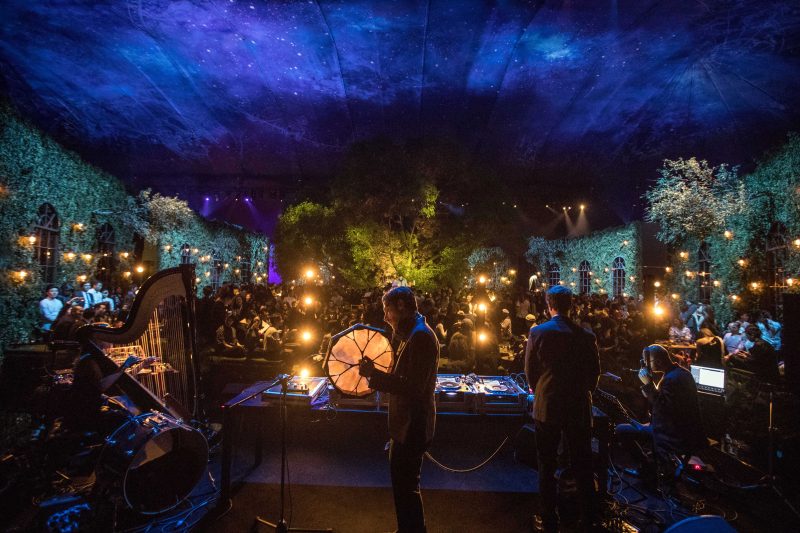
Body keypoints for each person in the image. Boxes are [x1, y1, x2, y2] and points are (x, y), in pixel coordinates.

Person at [359, 286, 439, 533]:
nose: (385, 317)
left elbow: (413, 387)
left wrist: (375, 376)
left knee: (407, 487)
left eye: (387, 310)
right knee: (404, 487)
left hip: (412, 426)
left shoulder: (421, 337)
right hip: (406, 425)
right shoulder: (413, 334)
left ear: (401, 306)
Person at [525, 286, 600, 532]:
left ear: (549, 305)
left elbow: (530, 372)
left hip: (548, 405)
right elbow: (594, 375)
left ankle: (549, 519)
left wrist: (541, 391)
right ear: (572, 306)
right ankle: (588, 519)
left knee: (546, 464)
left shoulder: (538, 332)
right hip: (578, 406)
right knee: (583, 464)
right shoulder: (586, 336)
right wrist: (582, 391)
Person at [617, 345, 706, 477]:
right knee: (635, 425)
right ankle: (649, 466)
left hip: (671, 433)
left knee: (620, 430)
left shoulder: (671, 379)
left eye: (648, 362)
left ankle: (646, 470)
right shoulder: (681, 373)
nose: (646, 366)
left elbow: (662, 406)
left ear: (658, 362)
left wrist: (648, 384)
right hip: (680, 428)